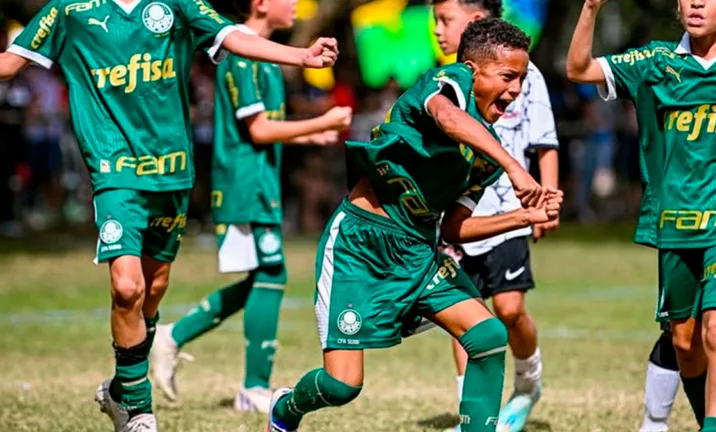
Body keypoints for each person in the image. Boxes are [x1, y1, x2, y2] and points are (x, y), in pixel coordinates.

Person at [0, 1, 338, 431]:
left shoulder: (179, 3)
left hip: (172, 171)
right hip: (114, 171)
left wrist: (301, 55)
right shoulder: (69, 10)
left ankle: (123, 388)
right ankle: (139, 413)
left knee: (154, 287)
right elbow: (11, 63)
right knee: (127, 288)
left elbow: (231, 36)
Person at [266, 18, 563, 432]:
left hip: (419, 253)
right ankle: (285, 409)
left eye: (522, 80)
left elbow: (455, 230)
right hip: (359, 247)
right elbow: (446, 119)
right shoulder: (447, 81)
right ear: (474, 72)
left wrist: (524, 216)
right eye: (508, 77)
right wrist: (515, 167)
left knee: (488, 335)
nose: (515, 90)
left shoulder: (486, 154)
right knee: (341, 385)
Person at [567, 0, 716, 431]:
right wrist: (590, 9)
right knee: (684, 342)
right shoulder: (655, 61)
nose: (696, 2)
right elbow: (578, 69)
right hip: (676, 219)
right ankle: (707, 422)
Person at [149, 0, 353, 413]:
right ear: (260, 3)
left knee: (263, 277)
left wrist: (305, 137)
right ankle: (252, 387)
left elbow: (266, 127)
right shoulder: (241, 55)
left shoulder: (266, 56)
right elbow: (258, 130)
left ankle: (172, 337)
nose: (296, 5)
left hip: (259, 180)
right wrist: (323, 122)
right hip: (243, 182)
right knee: (272, 273)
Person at [636, 1, 716, 431]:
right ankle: (658, 422)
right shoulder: (675, 65)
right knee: (685, 338)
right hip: (692, 220)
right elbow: (583, 68)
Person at [431, 1, 559, 430]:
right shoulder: (443, 81)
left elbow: (545, 140)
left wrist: (545, 201)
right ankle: (473, 415)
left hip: (509, 209)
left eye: (445, 20)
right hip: (457, 216)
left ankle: (528, 383)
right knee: (463, 313)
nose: (437, 30)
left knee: (508, 310)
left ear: (478, 22)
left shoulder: (524, 74)